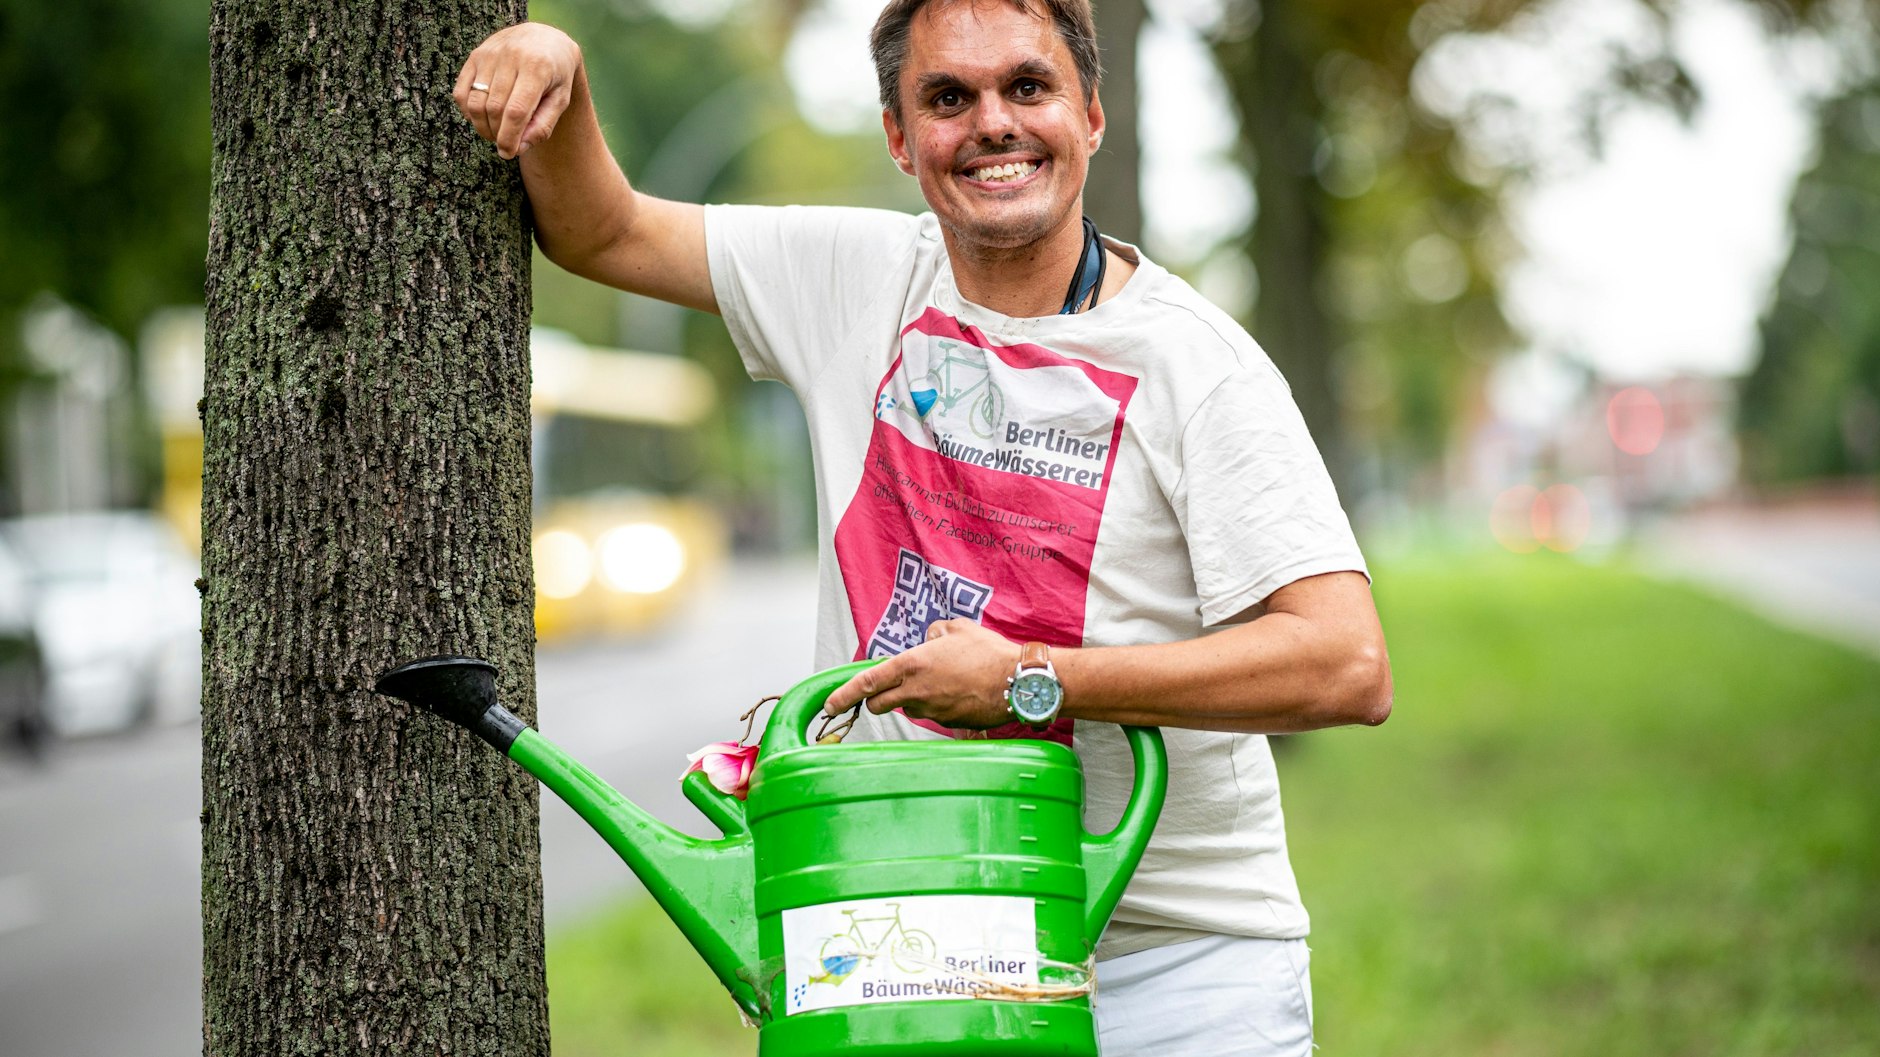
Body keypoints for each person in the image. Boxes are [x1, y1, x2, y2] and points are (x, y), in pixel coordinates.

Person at [455, 2, 1391, 1053]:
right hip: (912, 935)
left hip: (1169, 968)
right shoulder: (855, 279)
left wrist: (1031, 676)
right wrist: (560, 74)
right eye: (948, 97)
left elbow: (1344, 663)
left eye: (1026, 88)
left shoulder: (1194, 366)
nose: (991, 122)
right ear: (900, 140)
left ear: (1090, 114)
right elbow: (604, 229)